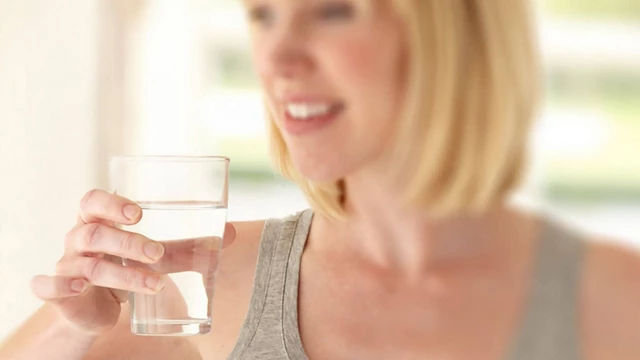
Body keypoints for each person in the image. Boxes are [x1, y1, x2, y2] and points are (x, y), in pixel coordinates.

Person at [1, 0, 639, 359]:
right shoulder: (215, 285)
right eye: (263, 16)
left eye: (333, 12)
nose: (277, 59)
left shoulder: (612, 302)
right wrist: (74, 326)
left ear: (451, 32)